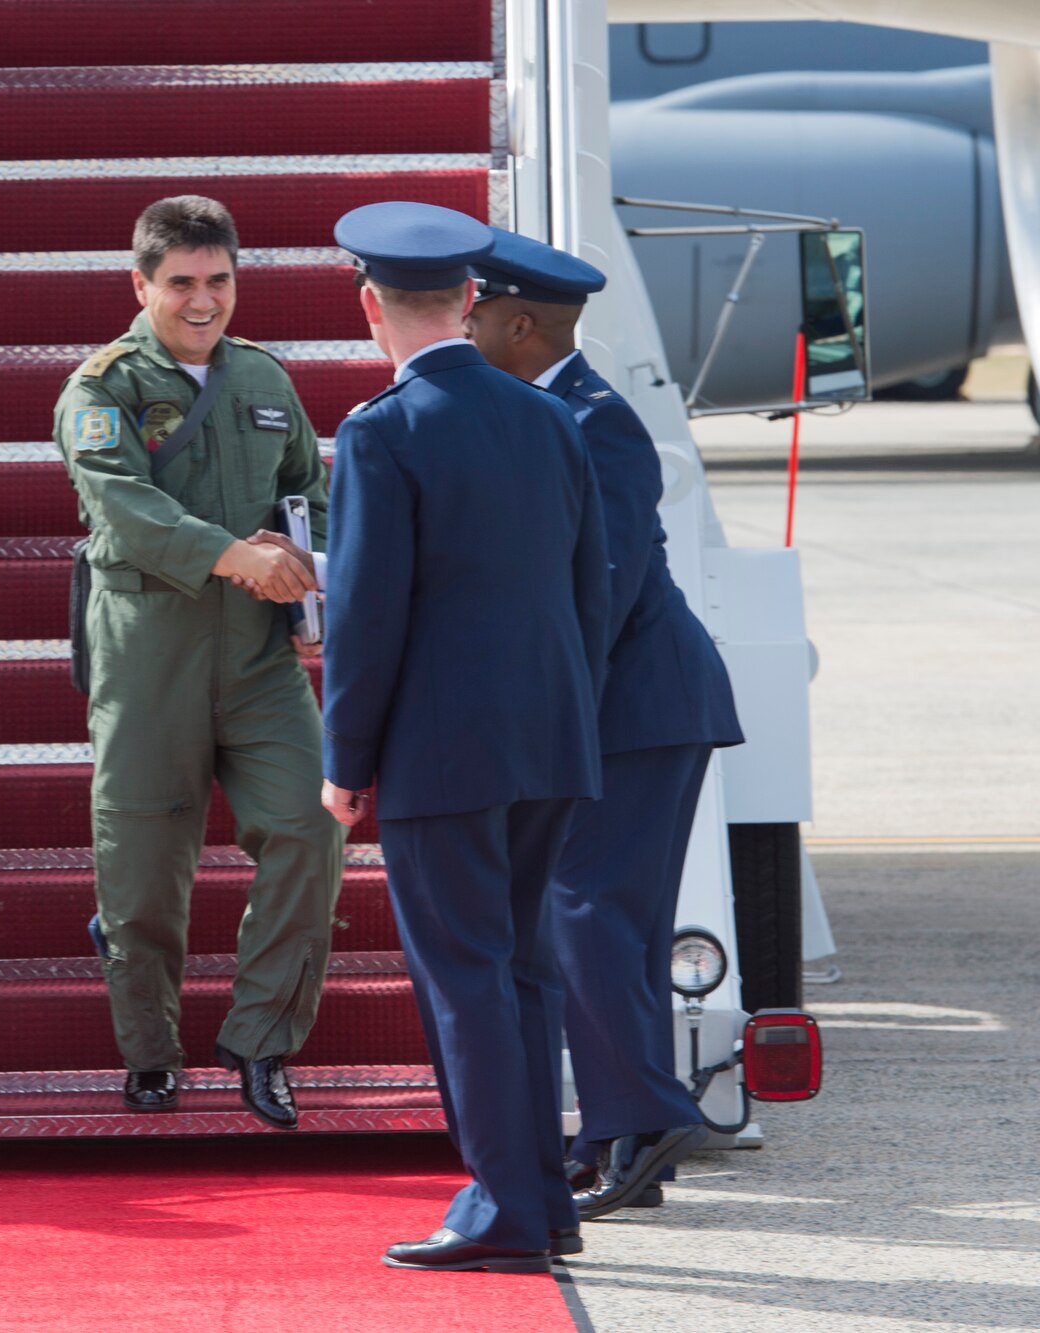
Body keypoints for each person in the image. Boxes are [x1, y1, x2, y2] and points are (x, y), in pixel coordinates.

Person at [320, 202, 608, 1271]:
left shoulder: (382, 429)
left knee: (466, 979)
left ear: (370, 305)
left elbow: (365, 616)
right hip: (550, 734)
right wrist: (566, 713)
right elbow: (589, 592)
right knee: (524, 971)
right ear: (470, 299)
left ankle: (502, 1208)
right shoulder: (548, 416)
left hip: (441, 752)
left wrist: (345, 760)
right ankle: (542, 1196)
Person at [466, 229, 743, 1218]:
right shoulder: (543, 413)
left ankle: (644, 1113)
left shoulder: (594, 422)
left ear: (520, 326)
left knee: (583, 912)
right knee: (608, 920)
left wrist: (546, 719)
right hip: (622, 705)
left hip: (634, 705)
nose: (463, 328)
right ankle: (623, 1139)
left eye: (475, 315)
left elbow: (605, 593)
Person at [52, 195, 340, 1128]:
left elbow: (310, 492)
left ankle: (262, 1042)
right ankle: (149, 1052)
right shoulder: (101, 389)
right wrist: (235, 556)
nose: (204, 300)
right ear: (141, 285)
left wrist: (305, 579)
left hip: (257, 658)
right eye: (181, 282)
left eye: (219, 279)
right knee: (141, 868)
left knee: (308, 824)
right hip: (147, 658)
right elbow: (124, 509)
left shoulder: (263, 376)